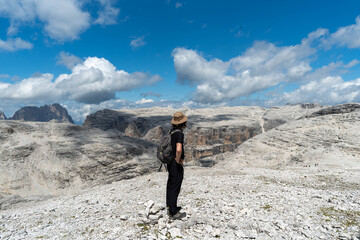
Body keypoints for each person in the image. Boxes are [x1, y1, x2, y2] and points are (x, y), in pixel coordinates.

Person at [166, 111, 187, 219]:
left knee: (170, 184)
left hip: (170, 162)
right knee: (175, 186)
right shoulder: (179, 133)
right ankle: (173, 213)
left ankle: (170, 206)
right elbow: (178, 149)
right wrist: (178, 160)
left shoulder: (172, 131)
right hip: (175, 163)